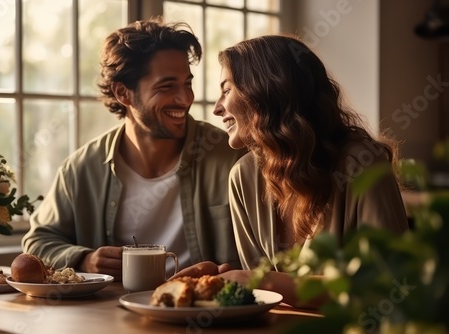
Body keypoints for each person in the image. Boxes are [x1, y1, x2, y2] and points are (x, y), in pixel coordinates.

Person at [170, 34, 409, 307]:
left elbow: (389, 284)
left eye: (227, 90)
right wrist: (219, 279)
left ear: (265, 91)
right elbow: (265, 301)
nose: (216, 108)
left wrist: (264, 281)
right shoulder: (243, 176)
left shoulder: (362, 162)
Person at [22, 17, 246, 281]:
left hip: (201, 311)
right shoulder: (82, 168)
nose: (186, 99)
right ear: (123, 93)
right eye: (167, 86)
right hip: (110, 314)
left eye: (187, 83)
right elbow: (37, 242)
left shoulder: (231, 156)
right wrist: (85, 259)